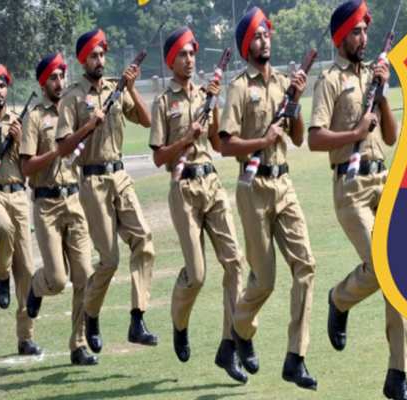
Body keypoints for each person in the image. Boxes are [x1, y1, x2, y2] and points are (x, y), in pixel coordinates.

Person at [308, 1, 407, 399]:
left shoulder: (373, 74)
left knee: (397, 275)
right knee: (384, 268)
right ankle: (339, 299)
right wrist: (354, 132)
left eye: (365, 31)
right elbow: (314, 138)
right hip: (350, 187)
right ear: (341, 37)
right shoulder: (329, 80)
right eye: (356, 31)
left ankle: (397, 375)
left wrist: (382, 95)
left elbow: (390, 136)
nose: (363, 37)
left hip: (382, 179)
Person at [219, 7, 317, 390]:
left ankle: (296, 357)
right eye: (257, 36)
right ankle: (240, 330)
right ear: (247, 45)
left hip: (284, 184)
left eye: (266, 34)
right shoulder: (240, 88)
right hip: (253, 188)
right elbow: (226, 144)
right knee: (264, 281)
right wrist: (262, 139)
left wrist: (296, 102)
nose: (265, 41)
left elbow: (298, 137)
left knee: (306, 265)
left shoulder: (283, 82)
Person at [149, 27, 246, 383]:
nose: (189, 60)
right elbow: (159, 157)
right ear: (170, 61)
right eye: (182, 55)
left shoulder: (207, 94)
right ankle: (180, 322)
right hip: (183, 188)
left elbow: (218, 145)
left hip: (212, 184)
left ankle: (229, 345)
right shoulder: (163, 103)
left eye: (192, 53)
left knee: (235, 263)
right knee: (198, 275)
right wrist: (185, 139)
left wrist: (215, 109)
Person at [53, 29, 157, 354]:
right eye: (93, 56)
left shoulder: (116, 87)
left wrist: (132, 87)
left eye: (102, 55)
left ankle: (137, 318)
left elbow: (146, 120)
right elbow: (63, 148)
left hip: (120, 175)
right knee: (109, 260)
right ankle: (91, 313)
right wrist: (88, 125)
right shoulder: (72, 97)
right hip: (93, 181)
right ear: (83, 60)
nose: (100, 60)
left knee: (144, 240)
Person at [22, 53, 96, 365]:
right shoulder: (34, 117)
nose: (59, 81)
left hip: (74, 200)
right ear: (43, 83)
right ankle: (36, 287)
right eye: (53, 77)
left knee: (84, 275)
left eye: (62, 75)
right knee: (56, 279)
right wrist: (56, 151)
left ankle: (78, 344)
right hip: (46, 204)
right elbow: (27, 167)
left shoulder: (72, 109)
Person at [0, 63, 40, 357]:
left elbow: (29, 162)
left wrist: (20, 139)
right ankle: (1, 275)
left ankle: (25, 338)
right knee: (3, 228)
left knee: (28, 271)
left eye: (2, 86)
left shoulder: (19, 120)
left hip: (19, 194)